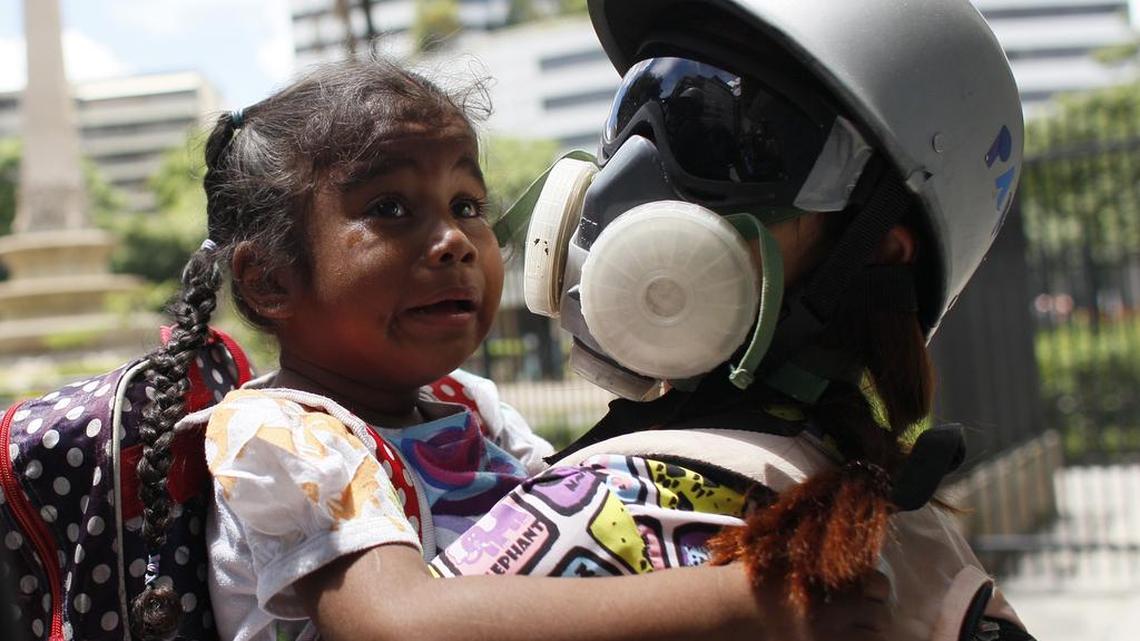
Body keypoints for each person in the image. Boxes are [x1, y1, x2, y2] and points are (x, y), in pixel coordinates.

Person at [131, 57, 888, 641]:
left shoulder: (471, 405)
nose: (455, 241)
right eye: (389, 208)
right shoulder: (282, 433)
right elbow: (400, 622)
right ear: (268, 282)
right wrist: (743, 599)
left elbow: (579, 532)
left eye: (467, 204)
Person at [428, 0, 1035, 639]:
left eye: (723, 139)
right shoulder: (901, 522)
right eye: (636, 106)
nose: (627, 177)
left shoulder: (604, 515)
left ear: (876, 244)